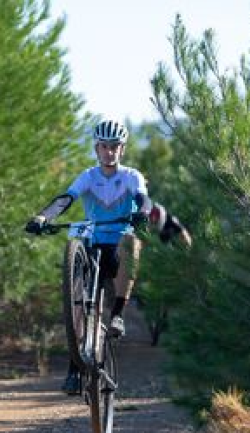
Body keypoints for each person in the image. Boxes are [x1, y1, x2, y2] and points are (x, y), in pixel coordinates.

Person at [25, 118, 191, 395]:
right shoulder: (88, 176)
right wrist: (43, 216)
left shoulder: (131, 177)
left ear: (122, 149)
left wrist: (141, 212)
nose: (109, 152)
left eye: (115, 147)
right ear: (97, 148)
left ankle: (118, 315)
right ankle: (74, 369)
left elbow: (144, 200)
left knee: (131, 242)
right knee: (79, 307)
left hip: (118, 245)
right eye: (104, 146)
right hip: (92, 244)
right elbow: (65, 199)